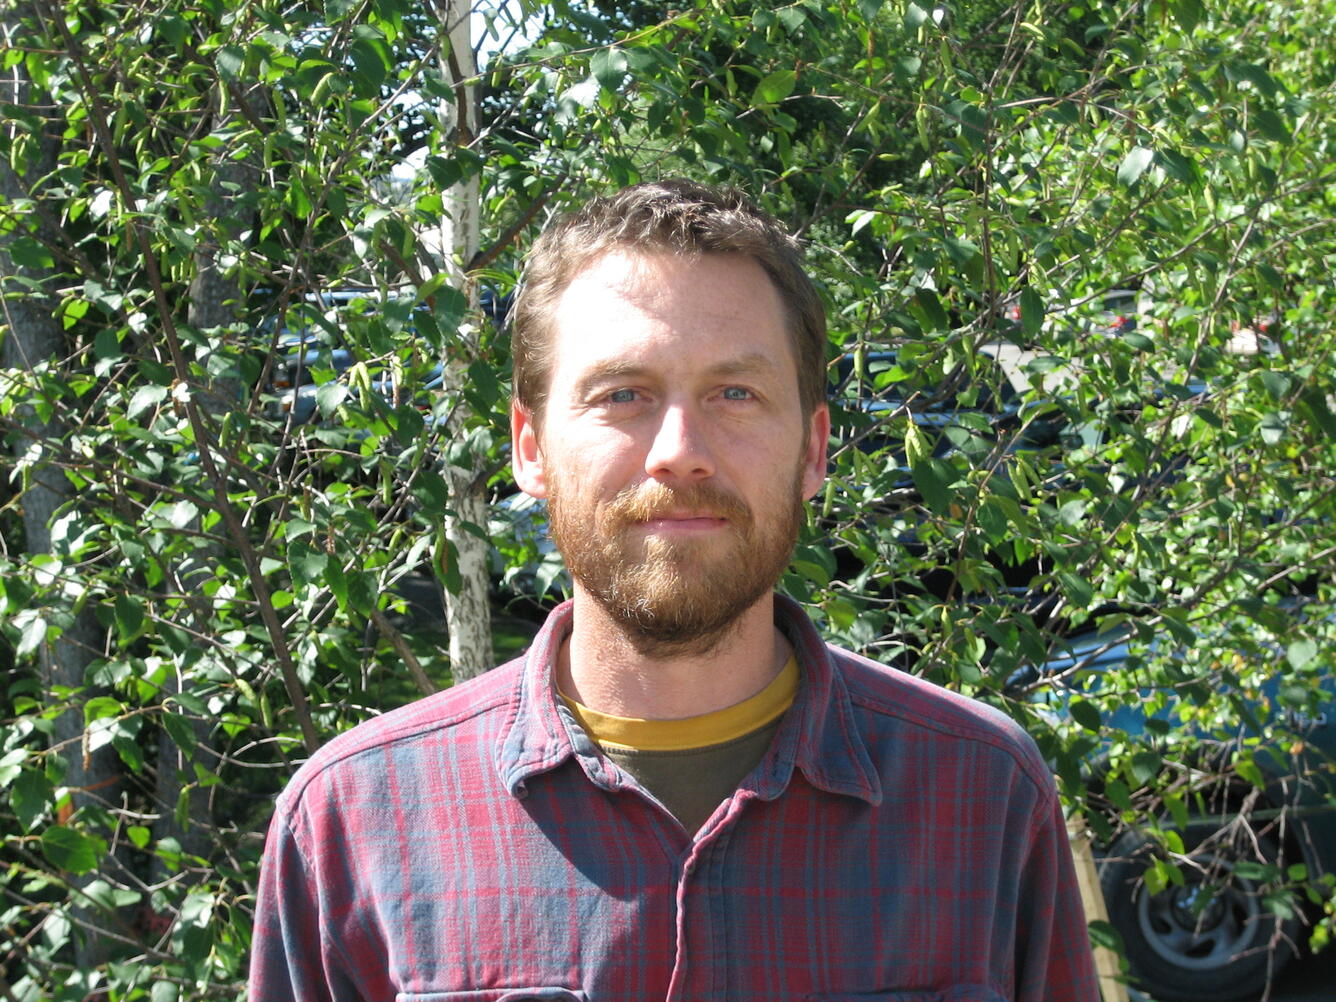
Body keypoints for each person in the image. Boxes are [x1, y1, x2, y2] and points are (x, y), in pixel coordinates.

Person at [249, 179, 1100, 1002]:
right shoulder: (353, 822)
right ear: (529, 448)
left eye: (735, 393)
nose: (679, 450)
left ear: (812, 450)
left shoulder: (983, 798)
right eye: (623, 395)